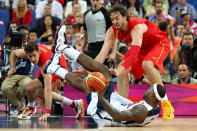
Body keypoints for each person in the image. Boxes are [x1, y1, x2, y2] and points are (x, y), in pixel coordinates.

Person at [95, 4, 174, 120]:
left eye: (117, 18)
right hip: (141, 49)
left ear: (124, 17)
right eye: (112, 19)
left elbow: (133, 53)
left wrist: (119, 69)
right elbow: (102, 54)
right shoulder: (111, 31)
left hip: (158, 44)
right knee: (122, 70)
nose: (115, 21)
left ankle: (166, 102)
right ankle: (122, 107)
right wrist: (89, 69)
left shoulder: (137, 27)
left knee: (146, 64)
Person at [10, 43, 85, 121]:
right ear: (26, 54)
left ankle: (74, 104)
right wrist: (12, 68)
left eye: (34, 55)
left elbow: (48, 89)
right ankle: (75, 103)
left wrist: (47, 112)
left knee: (42, 91)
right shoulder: (26, 52)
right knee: (30, 88)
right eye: (30, 56)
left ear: (38, 52)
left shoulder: (46, 64)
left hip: (58, 65)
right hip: (51, 58)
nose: (33, 59)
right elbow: (13, 53)